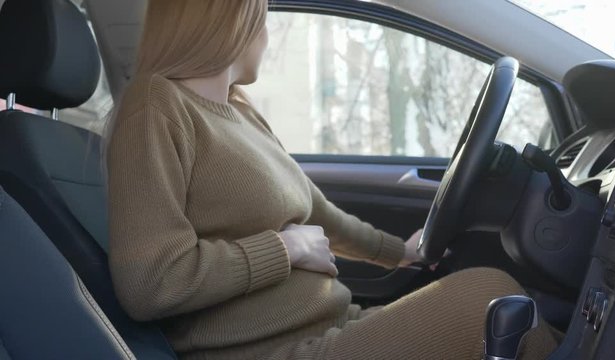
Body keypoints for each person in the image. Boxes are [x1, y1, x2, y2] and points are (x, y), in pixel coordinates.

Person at [106, 1, 558, 359]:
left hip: (333, 323)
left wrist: (402, 253)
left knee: (509, 310)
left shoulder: (241, 112)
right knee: (489, 297)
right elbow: (151, 282)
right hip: (270, 352)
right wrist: (287, 248)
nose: (265, 36)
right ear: (232, 20)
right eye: (262, 15)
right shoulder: (155, 107)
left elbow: (321, 214)